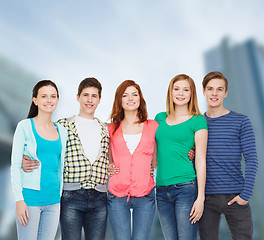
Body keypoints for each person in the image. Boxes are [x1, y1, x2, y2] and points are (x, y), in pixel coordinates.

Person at [22, 78, 109, 240]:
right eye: (85, 95)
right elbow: (45, 148)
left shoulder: (106, 129)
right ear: (78, 97)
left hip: (99, 198)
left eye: (94, 96)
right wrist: (23, 159)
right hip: (71, 196)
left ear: (99, 99)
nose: (89, 100)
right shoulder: (63, 126)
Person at [198, 72, 258, 240]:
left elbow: (252, 159)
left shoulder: (242, 121)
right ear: (204, 91)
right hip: (206, 199)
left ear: (226, 93)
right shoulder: (197, 123)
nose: (214, 93)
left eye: (219, 89)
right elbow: (195, 158)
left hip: (236, 196)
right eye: (210, 89)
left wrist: (245, 195)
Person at [10, 80, 68, 240]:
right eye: (44, 96)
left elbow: (60, 165)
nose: (49, 100)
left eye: (53, 96)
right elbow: (15, 165)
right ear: (35, 100)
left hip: (54, 200)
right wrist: (19, 200)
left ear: (57, 100)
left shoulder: (62, 131)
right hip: (30, 199)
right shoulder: (24, 126)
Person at [154, 74, 208, 240]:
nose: (180, 93)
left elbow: (200, 160)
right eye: (176, 89)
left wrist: (200, 198)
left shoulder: (198, 121)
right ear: (170, 92)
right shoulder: (159, 118)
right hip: (161, 189)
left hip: (185, 188)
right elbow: (151, 153)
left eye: (186, 89)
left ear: (192, 94)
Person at [107, 80, 158, 240]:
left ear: (140, 99)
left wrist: (190, 151)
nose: (130, 98)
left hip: (145, 194)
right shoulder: (110, 128)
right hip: (116, 194)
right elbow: (106, 157)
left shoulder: (153, 126)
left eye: (134, 94)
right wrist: (108, 166)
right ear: (119, 100)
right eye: (125, 95)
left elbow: (166, 149)